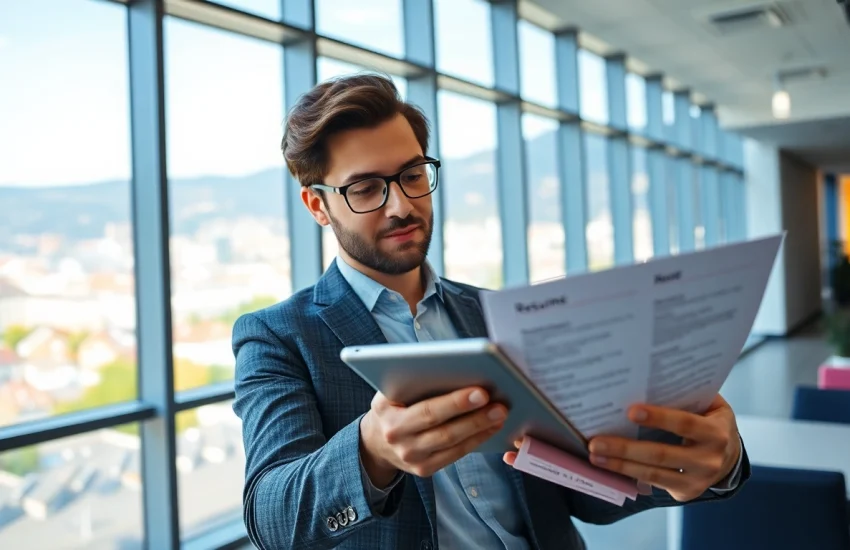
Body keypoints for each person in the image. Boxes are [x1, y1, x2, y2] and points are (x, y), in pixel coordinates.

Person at [231, 73, 749, 550]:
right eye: (366, 189)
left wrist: (700, 469)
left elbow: (577, 490)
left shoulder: (495, 314)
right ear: (318, 206)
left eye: (413, 175)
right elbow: (272, 519)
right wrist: (372, 451)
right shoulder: (278, 336)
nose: (401, 206)